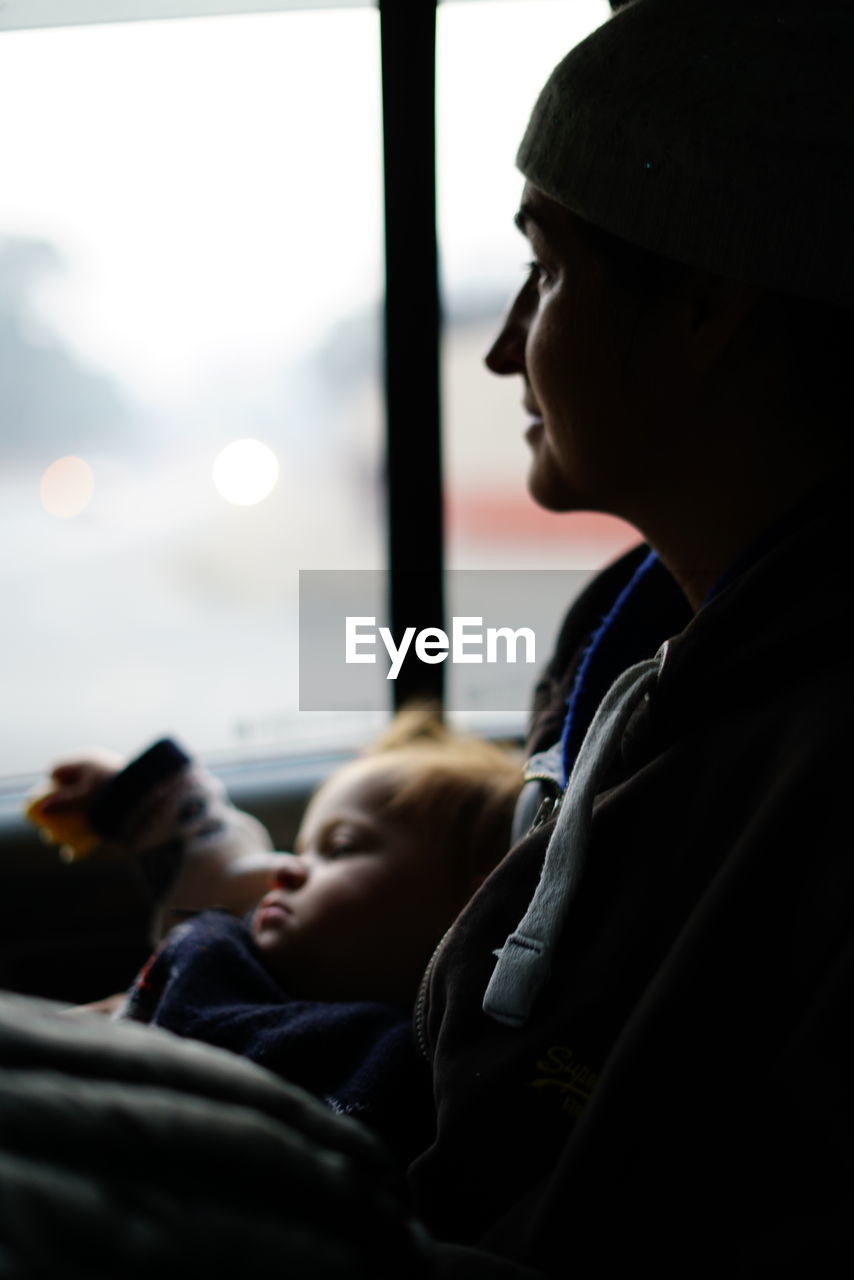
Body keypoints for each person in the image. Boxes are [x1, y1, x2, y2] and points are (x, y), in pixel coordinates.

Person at [403, 0, 854, 1275]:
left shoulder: (818, 760)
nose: (502, 350)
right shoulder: (627, 630)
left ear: (702, 308)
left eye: (544, 273)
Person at [28, 707, 521, 1163]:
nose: (285, 870)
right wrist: (125, 791)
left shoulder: (409, 1074)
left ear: (470, 910)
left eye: (339, 848)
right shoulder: (240, 936)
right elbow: (205, 850)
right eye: (300, 849)